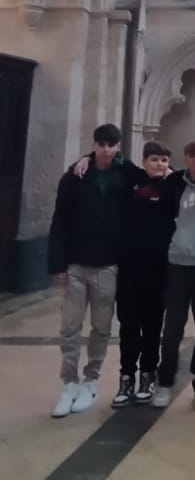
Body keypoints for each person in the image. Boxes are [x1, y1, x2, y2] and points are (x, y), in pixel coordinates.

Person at [48, 123, 138, 417]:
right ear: (94, 145)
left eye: (112, 145)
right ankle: (69, 383)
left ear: (118, 146)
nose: (107, 150)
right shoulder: (74, 177)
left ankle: (91, 380)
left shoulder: (124, 174)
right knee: (70, 328)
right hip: (76, 263)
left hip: (107, 264)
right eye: (102, 145)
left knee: (101, 327)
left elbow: (148, 176)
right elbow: (60, 221)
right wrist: (56, 264)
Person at [153, 141, 195, 411]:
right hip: (178, 265)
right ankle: (164, 382)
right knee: (172, 330)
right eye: (192, 155)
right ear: (185, 158)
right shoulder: (174, 183)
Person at [112, 141, 174, 407]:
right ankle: (126, 376)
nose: (159, 164)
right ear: (145, 161)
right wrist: (84, 159)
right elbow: (111, 154)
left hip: (158, 269)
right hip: (129, 268)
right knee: (128, 324)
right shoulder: (133, 178)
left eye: (164, 160)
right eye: (154, 159)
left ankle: (148, 374)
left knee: (152, 325)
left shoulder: (173, 185)